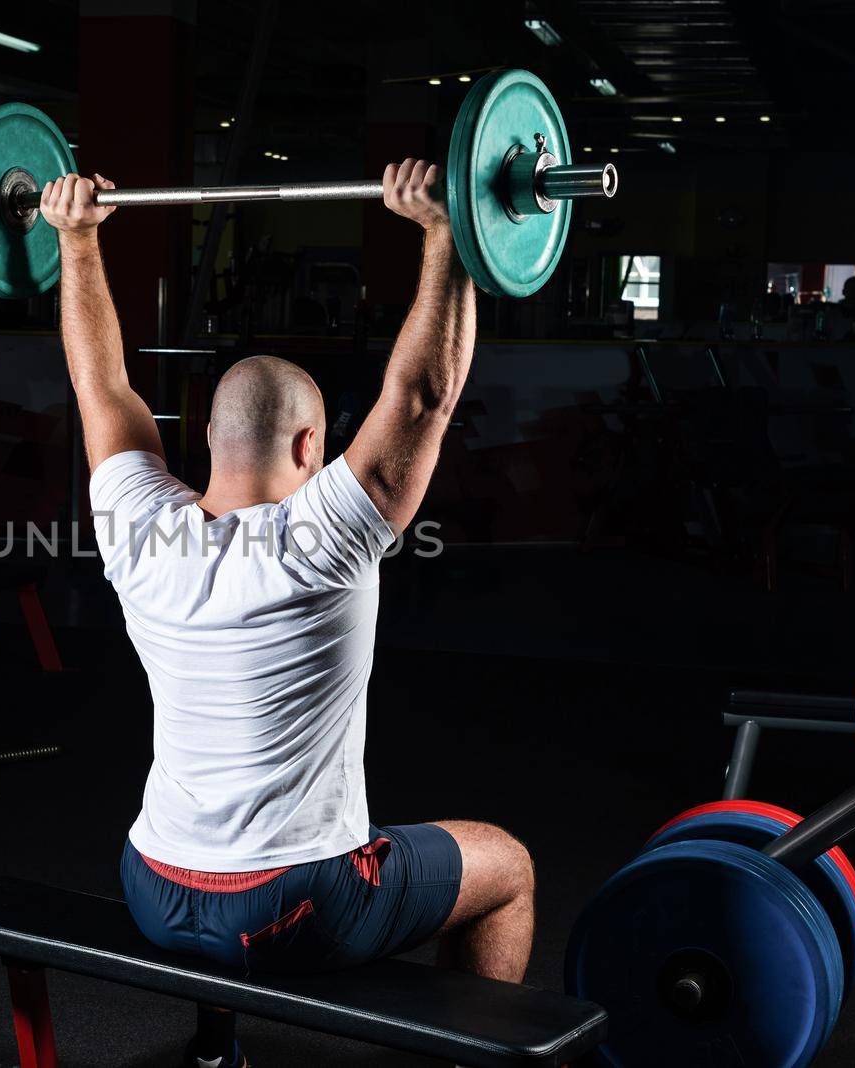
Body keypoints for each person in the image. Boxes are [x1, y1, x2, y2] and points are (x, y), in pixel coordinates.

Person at [40, 160, 531, 1068]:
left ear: (205, 434)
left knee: (226, 890)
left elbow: (100, 387)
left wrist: (77, 240)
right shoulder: (325, 536)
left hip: (152, 885)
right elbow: (422, 397)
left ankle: (215, 1049)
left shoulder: (137, 529)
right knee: (504, 866)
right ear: (313, 445)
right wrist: (447, 235)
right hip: (291, 906)